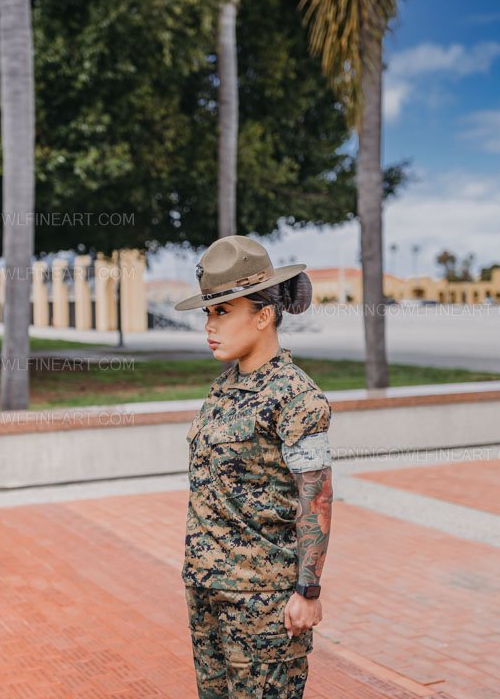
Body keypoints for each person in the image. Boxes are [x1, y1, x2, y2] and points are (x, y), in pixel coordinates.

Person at [174, 235, 333, 698]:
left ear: (263, 315)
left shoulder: (297, 397)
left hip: (262, 600)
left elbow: (316, 498)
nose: (210, 324)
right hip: (206, 586)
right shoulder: (224, 386)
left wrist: (308, 589)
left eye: (223, 311)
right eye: (208, 311)